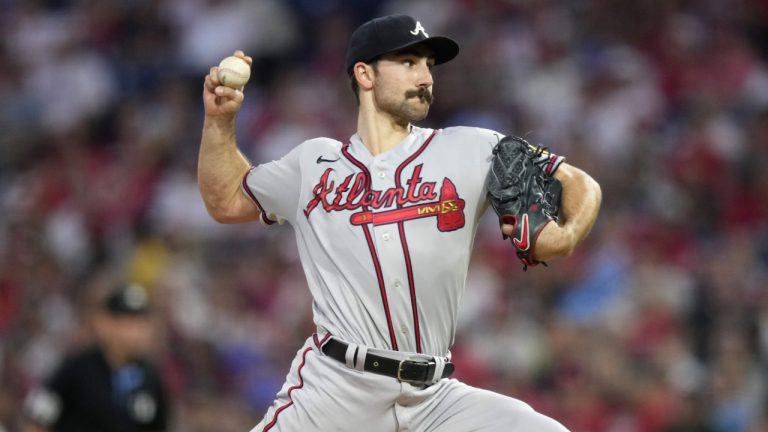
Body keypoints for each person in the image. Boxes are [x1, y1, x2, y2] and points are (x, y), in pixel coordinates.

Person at [199, 14, 601, 432]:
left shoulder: (471, 147)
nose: (426, 76)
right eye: (409, 62)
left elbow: (580, 183)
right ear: (365, 74)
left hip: (434, 398)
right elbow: (226, 200)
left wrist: (568, 233)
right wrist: (219, 123)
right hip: (336, 391)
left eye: (429, 65)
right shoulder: (313, 164)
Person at [23, 282, 169, 432]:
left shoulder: (151, 379)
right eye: (126, 322)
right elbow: (37, 421)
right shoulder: (76, 369)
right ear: (104, 323)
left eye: (140, 322)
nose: (135, 331)